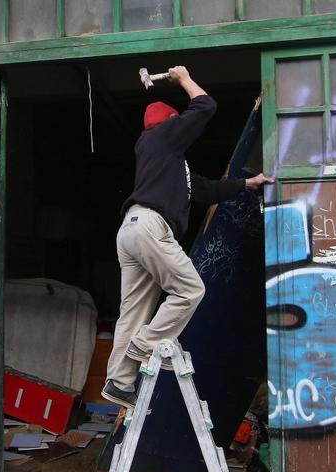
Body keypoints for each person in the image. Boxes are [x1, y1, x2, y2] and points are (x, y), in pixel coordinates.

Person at [101, 66, 271, 409]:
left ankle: (118, 383)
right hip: (150, 228)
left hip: (131, 231)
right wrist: (184, 79)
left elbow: (206, 189)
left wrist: (247, 184)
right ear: (171, 123)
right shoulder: (161, 137)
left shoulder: (168, 164)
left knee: (132, 312)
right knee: (191, 289)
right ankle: (147, 344)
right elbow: (206, 106)